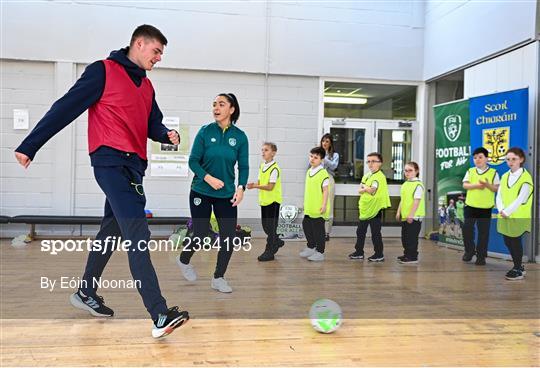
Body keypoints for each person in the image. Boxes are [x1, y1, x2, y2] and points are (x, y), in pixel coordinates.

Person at [14, 25, 189, 338]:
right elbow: (65, 107)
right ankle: (159, 313)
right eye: (156, 51)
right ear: (139, 44)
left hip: (134, 167)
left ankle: (85, 292)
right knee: (138, 232)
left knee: (112, 231)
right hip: (110, 162)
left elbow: (153, 123)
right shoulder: (102, 72)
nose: (159, 58)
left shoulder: (147, 87)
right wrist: (30, 145)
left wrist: (166, 135)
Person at [177, 93, 249, 293]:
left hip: (226, 195)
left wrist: (241, 187)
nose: (216, 108)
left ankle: (218, 277)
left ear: (231, 109)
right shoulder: (205, 132)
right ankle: (184, 260)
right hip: (201, 191)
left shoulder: (240, 137)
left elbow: (243, 167)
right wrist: (207, 178)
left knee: (228, 238)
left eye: (221, 104)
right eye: (214, 104)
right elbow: (193, 161)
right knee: (200, 233)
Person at [496, 147, 533, 281]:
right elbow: (499, 195)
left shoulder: (526, 178)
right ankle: (518, 266)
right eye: (508, 159)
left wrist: (507, 211)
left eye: (514, 159)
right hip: (505, 214)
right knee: (507, 241)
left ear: (521, 160)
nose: (510, 162)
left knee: (515, 241)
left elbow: (521, 199)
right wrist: (501, 209)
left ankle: (518, 268)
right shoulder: (505, 176)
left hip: (518, 216)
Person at [349, 152, 391, 262]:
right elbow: (360, 190)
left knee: (375, 233)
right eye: (369, 161)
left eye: (373, 161)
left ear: (380, 163)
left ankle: (379, 254)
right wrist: (367, 188)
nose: (370, 164)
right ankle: (359, 252)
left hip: (375, 209)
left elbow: (373, 191)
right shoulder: (367, 175)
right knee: (360, 231)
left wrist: (366, 187)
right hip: (365, 209)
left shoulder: (380, 177)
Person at [462, 147, 500, 265]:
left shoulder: (494, 172)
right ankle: (469, 251)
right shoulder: (470, 171)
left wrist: (487, 185)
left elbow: (496, 188)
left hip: (485, 208)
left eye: (480, 157)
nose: (477, 160)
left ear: (486, 159)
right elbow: (465, 185)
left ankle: (481, 256)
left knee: (483, 233)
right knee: (467, 229)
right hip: (470, 206)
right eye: (475, 158)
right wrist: (477, 186)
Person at [247, 142, 284, 262]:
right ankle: (277, 241)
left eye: (266, 150)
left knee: (271, 228)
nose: (263, 152)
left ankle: (270, 251)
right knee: (266, 227)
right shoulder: (262, 166)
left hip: (273, 202)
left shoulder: (274, 169)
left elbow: (270, 187)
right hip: (264, 201)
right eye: (262, 150)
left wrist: (255, 187)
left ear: (273, 153)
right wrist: (253, 185)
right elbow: (260, 182)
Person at [298, 147, 330, 261]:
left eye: (316, 157)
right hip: (309, 206)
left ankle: (320, 252)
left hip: (318, 206)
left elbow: (326, 190)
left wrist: (324, 205)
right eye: (311, 156)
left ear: (321, 160)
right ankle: (311, 247)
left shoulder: (323, 173)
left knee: (318, 230)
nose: (312, 159)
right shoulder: (309, 172)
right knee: (306, 225)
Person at [395, 162, 425, 264]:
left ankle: (412, 256)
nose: (407, 173)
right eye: (406, 170)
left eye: (410, 170)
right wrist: (398, 212)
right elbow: (402, 200)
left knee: (412, 237)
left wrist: (411, 214)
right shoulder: (405, 184)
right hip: (405, 215)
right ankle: (407, 254)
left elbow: (416, 201)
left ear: (416, 171)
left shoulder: (418, 185)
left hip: (414, 216)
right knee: (405, 237)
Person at [319, 133, 339, 241]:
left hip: (329, 179)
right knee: (318, 203)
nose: (324, 143)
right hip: (318, 180)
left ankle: (327, 232)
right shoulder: (316, 153)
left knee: (329, 205)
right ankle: (319, 230)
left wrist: (324, 158)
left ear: (330, 143)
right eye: (323, 141)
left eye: (327, 141)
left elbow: (334, 166)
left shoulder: (334, 155)